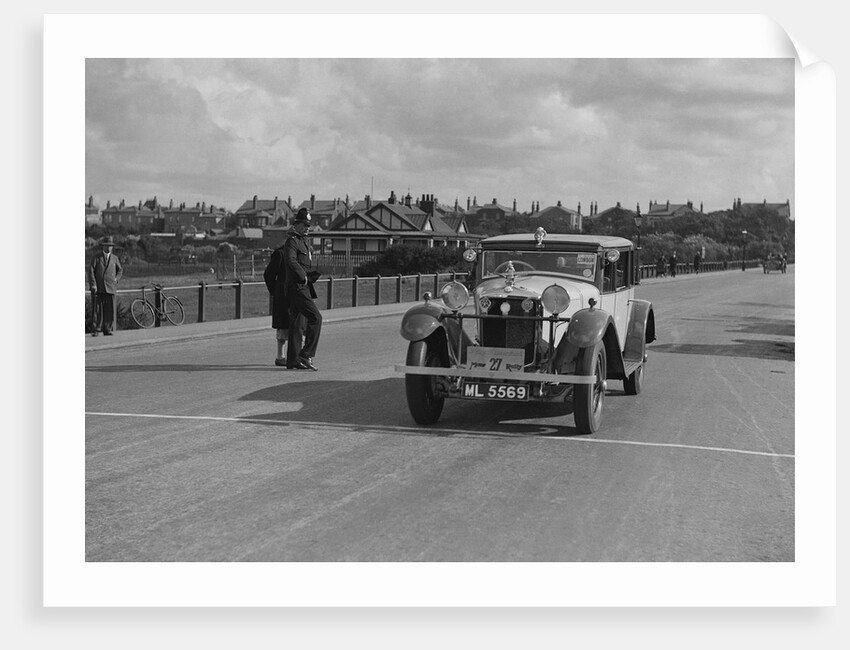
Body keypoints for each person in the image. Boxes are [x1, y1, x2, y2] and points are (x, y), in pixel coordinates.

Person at [284, 208, 322, 371]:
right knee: (316, 318)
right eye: (304, 225)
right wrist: (303, 276)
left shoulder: (302, 242)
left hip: (302, 285)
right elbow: (291, 261)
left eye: (308, 225)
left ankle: (293, 360)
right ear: (296, 225)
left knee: (297, 323)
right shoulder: (292, 241)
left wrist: (309, 276)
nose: (307, 228)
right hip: (298, 286)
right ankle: (306, 355)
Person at [264, 242, 301, 367]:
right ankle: (280, 356)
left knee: (299, 324)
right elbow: (269, 274)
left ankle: (296, 355)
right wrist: (276, 291)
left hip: (298, 293)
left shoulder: (300, 253)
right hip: (284, 296)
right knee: (283, 325)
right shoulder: (280, 254)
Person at [87, 236, 123, 336]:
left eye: (110, 246)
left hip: (111, 287)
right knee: (97, 310)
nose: (109, 248)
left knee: (109, 310)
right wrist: (93, 285)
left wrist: (117, 278)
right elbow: (91, 271)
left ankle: (107, 329)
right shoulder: (96, 257)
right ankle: (96, 330)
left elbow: (120, 270)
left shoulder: (115, 258)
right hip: (99, 288)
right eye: (107, 246)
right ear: (103, 246)